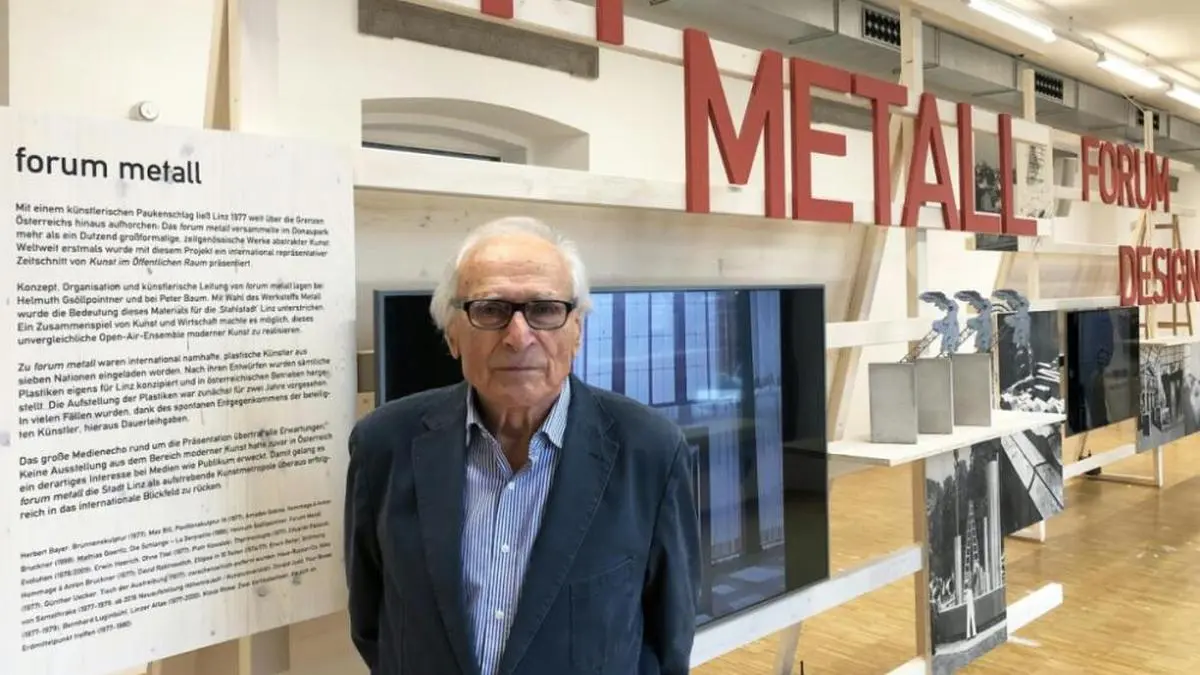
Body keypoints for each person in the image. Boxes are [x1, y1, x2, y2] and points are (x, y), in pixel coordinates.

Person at [343, 216, 701, 675]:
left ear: (577, 331)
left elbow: (668, 642)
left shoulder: (651, 451)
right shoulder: (383, 445)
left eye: (545, 309)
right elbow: (373, 626)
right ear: (452, 335)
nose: (517, 336)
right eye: (490, 310)